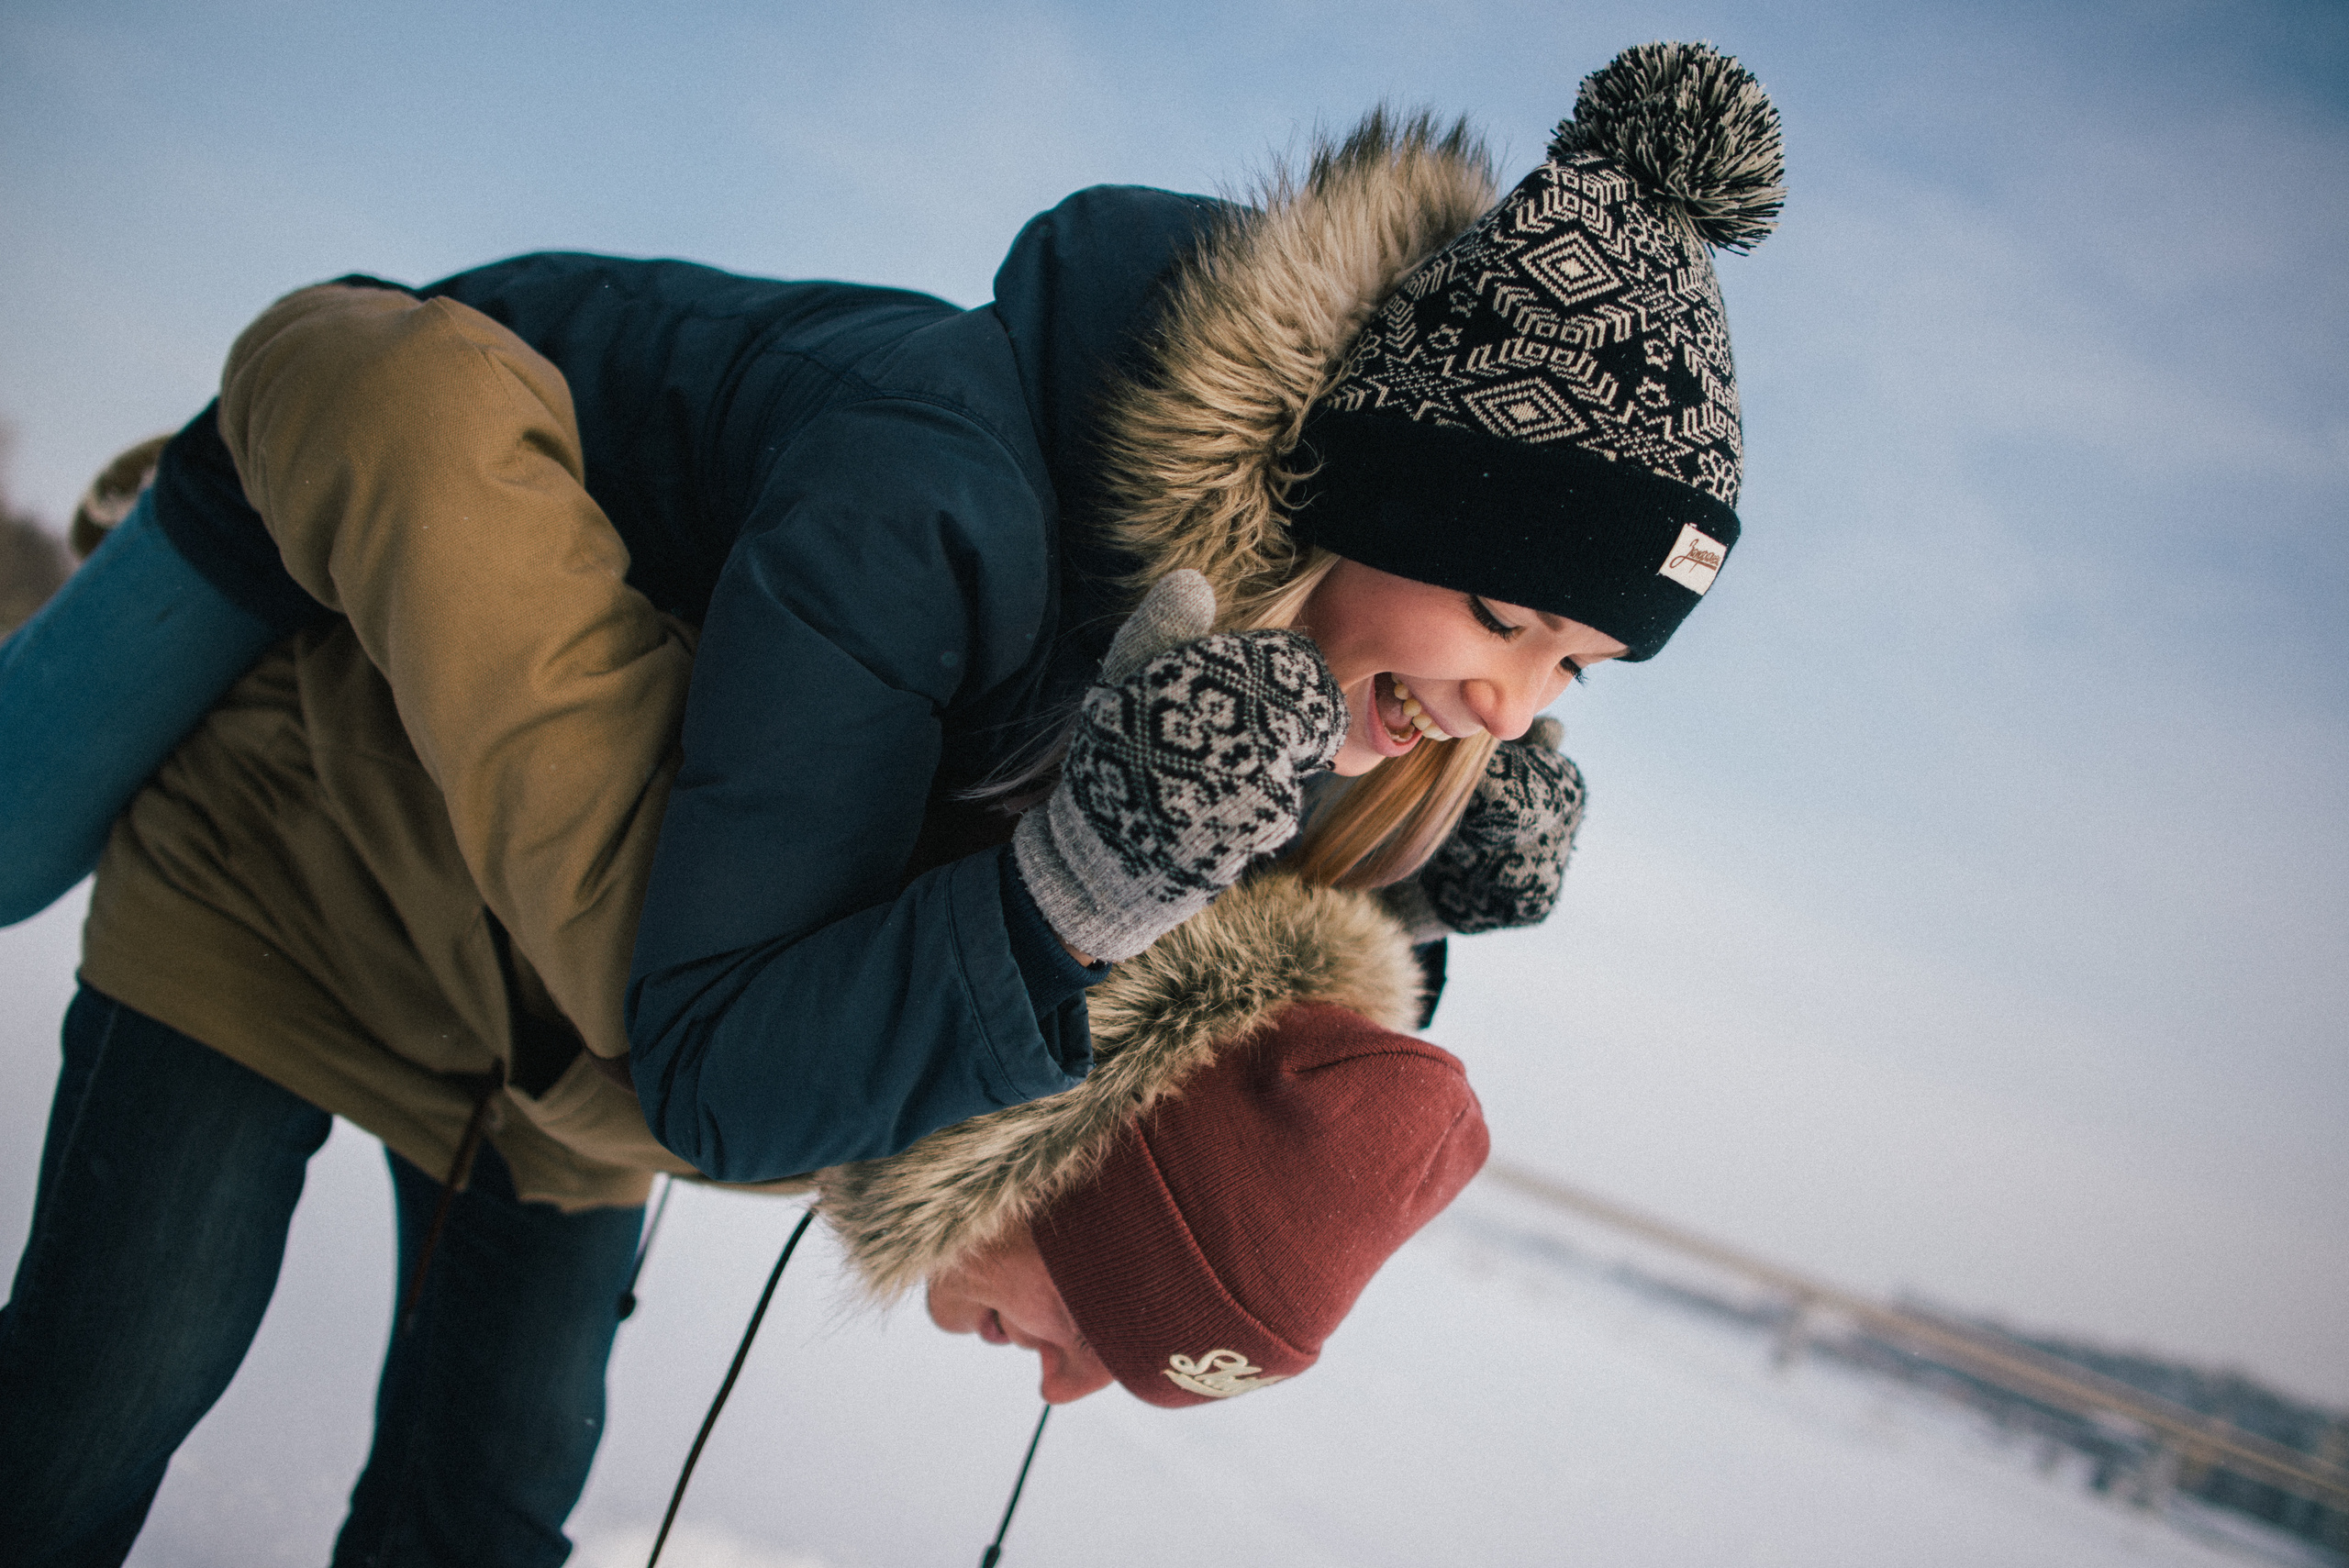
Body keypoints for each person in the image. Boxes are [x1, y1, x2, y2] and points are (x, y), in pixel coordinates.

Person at [0, 41, 1786, 1565]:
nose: (1512, 705)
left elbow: (1235, 1066)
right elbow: (723, 1072)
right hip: (305, 877)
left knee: (493, 1488)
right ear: (1366, 488)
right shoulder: (934, 495)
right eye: (1498, 617)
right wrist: (1088, 878)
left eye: (1574, 670)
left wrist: (1407, 898)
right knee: (105, 1395)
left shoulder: (1326, 703)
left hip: (555, 1068)